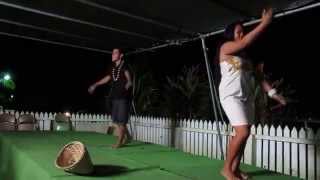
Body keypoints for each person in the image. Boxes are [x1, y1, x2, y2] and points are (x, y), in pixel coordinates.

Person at [217, 8, 286, 180]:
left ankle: (235, 169)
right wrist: (264, 23)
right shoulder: (225, 48)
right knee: (242, 132)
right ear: (230, 34)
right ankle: (226, 169)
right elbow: (244, 43)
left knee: (244, 133)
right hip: (230, 95)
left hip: (246, 97)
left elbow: (259, 77)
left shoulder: (246, 58)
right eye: (238, 32)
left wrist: (273, 93)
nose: (241, 34)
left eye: (243, 32)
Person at [88, 48, 132, 148]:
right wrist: (95, 85)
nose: (112, 55)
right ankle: (127, 137)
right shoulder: (112, 67)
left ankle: (119, 142)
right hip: (114, 97)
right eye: (112, 53)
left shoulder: (125, 66)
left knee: (121, 121)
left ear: (121, 55)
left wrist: (127, 86)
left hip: (123, 98)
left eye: (115, 53)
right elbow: (108, 78)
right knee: (116, 120)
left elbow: (129, 80)